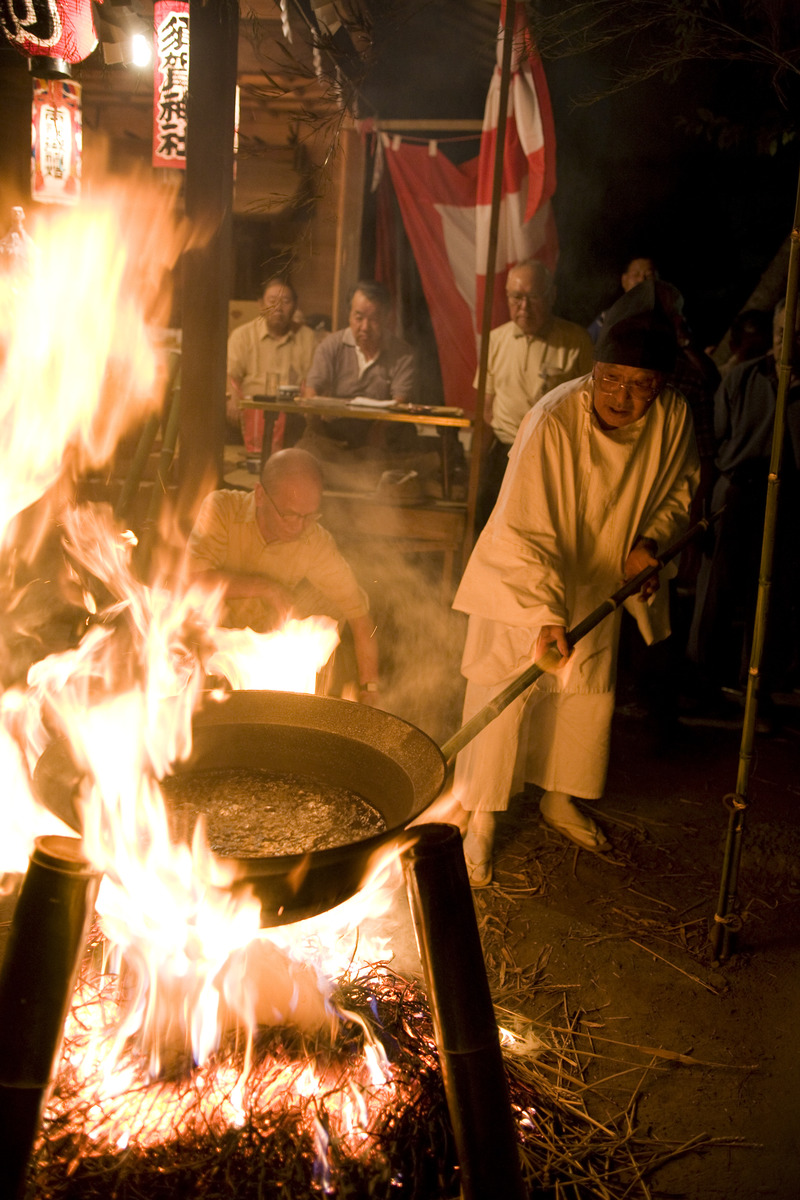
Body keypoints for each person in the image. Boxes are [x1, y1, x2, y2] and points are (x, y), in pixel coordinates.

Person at [451, 313, 699, 886]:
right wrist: (543, 613)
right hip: (526, 579)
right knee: (504, 690)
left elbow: (680, 488)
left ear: (659, 386)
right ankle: (481, 819)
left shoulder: (673, 418)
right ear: (594, 373)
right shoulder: (553, 421)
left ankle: (560, 797)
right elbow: (524, 527)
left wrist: (650, 541)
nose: (623, 396)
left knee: (584, 689)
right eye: (611, 379)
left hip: (600, 571)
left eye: (640, 385)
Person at [186, 448, 380, 702]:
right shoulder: (222, 509)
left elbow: (359, 615)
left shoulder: (315, 542)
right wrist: (266, 588)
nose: (299, 526)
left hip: (265, 655)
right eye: (289, 515)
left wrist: (370, 689)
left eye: (309, 516)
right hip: (207, 651)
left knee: (330, 604)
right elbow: (194, 582)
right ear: (260, 495)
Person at [686, 298, 800, 715]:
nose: (787, 341)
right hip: (737, 492)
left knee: (773, 597)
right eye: (782, 332)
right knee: (714, 592)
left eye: (797, 335)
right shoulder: (743, 378)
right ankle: (700, 683)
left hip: (788, 501)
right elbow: (715, 443)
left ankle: (758, 692)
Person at [476, 260, 594, 529]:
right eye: (516, 298)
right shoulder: (495, 340)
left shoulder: (576, 340)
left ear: (551, 296)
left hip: (553, 459)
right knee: (489, 528)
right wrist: (477, 463)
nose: (524, 307)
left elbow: (590, 410)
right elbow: (486, 408)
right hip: (503, 454)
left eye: (533, 297)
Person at [302, 280, 415, 452]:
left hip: (381, 432)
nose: (365, 327)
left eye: (374, 319)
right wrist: (316, 428)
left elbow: (400, 401)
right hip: (336, 431)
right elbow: (311, 392)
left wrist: (379, 431)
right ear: (349, 315)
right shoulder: (331, 345)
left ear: (387, 317)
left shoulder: (403, 353)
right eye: (359, 318)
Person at [227, 277, 317, 462]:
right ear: (261, 305)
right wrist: (232, 399)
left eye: (285, 302)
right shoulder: (242, 335)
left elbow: (313, 380)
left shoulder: (307, 338)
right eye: (272, 301)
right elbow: (231, 375)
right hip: (251, 408)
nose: (279, 307)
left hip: (291, 411)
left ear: (295, 306)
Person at [587, 256, 659, 344]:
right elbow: (586, 345)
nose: (641, 280)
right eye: (636, 275)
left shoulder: (670, 319)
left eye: (649, 275)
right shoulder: (608, 320)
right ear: (624, 280)